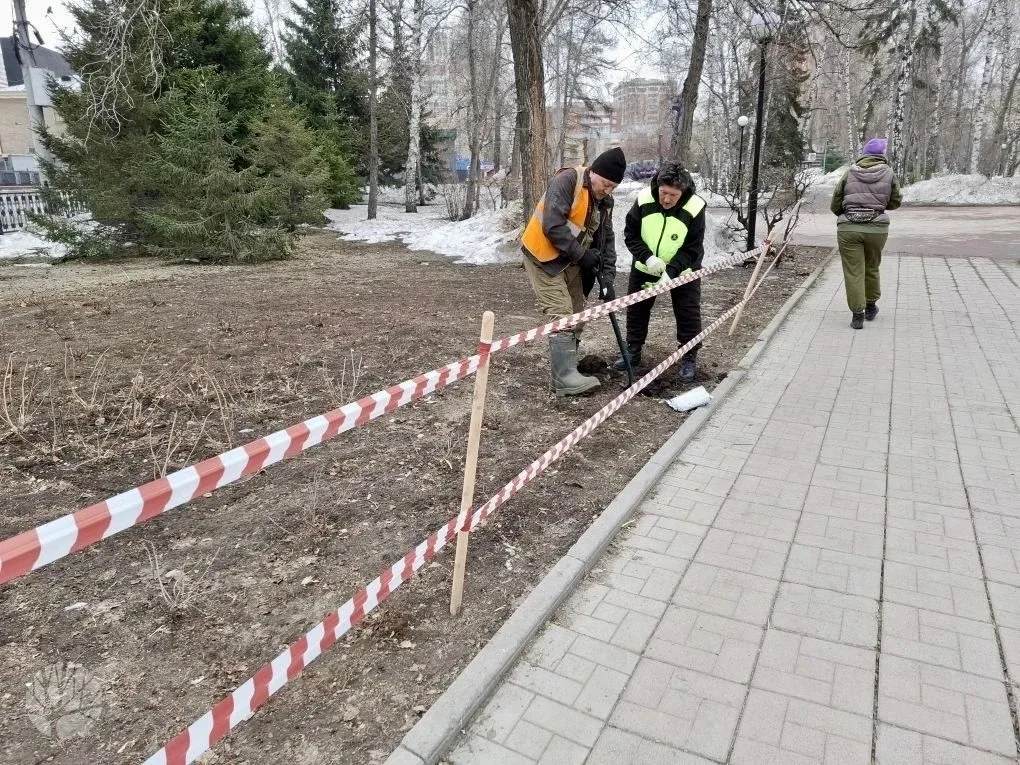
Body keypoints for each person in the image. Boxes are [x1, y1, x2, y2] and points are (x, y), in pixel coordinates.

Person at [521, 147, 625, 396]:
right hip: (542, 257)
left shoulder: (604, 201)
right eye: (606, 184)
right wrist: (582, 255)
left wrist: (607, 279)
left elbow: (606, 241)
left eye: (613, 187)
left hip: (570, 261)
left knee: (577, 314)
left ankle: (568, 368)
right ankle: (564, 379)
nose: (608, 191)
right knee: (562, 314)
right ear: (594, 172)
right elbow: (553, 225)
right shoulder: (568, 180)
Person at [613, 160, 707, 383]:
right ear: (658, 186)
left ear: (683, 192)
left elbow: (692, 248)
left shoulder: (695, 207)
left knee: (687, 312)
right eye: (664, 192)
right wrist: (648, 257)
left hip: (683, 270)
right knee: (637, 309)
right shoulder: (644, 199)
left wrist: (671, 272)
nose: (666, 199)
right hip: (645, 266)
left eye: (673, 195)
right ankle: (633, 349)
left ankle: (689, 355)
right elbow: (631, 234)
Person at [830, 137, 902, 329]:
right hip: (877, 229)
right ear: (882, 155)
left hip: (849, 229)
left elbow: (836, 201)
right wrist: (878, 205)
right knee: (872, 266)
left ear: (864, 154)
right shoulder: (889, 173)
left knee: (854, 271)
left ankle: (857, 316)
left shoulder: (850, 172)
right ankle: (871, 307)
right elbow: (896, 201)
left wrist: (846, 213)